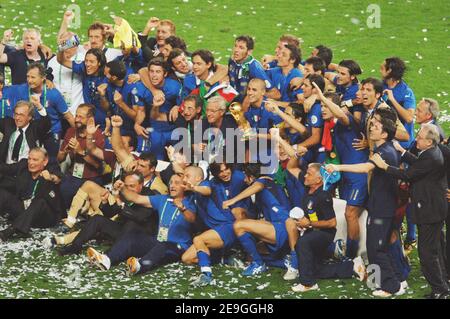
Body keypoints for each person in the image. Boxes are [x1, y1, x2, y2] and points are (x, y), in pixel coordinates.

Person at [326, 111, 406, 297]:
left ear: (385, 134)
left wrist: (338, 167)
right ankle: (397, 280)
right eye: (372, 125)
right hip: (383, 206)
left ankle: (391, 286)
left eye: (376, 127)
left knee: (376, 249)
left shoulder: (384, 152)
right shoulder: (386, 148)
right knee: (380, 247)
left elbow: (365, 168)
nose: (371, 127)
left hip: (382, 208)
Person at [370, 124, 449, 299]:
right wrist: (403, 152)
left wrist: (384, 166)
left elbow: (408, 175)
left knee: (427, 254)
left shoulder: (431, 157)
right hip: (434, 208)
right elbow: (420, 165)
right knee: (434, 250)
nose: (416, 139)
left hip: (430, 211)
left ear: (429, 142)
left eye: (419, 137)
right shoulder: (431, 152)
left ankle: (440, 290)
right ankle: (442, 285)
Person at [86, 174, 196, 275]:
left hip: (178, 246)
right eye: (171, 182)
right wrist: (123, 188)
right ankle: (107, 260)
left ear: (184, 186)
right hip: (158, 241)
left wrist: (182, 208)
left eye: (176, 183)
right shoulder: (163, 199)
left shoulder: (191, 202)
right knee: (132, 237)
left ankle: (140, 266)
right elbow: (136, 198)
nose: (172, 185)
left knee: (164, 245)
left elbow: (192, 219)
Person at [284, 163, 366, 292]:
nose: (305, 176)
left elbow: (332, 223)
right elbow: (291, 167)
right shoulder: (308, 186)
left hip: (324, 233)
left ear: (318, 180)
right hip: (312, 231)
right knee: (315, 269)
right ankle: (353, 267)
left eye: (309, 174)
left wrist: (309, 224)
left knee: (302, 243)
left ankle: (308, 284)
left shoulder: (323, 196)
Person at [314, 83, 369, 258]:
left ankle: (353, 256)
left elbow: (341, 113)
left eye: (326, 105)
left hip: (359, 175)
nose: (323, 109)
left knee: (350, 214)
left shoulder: (346, 120)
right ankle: (355, 251)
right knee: (350, 215)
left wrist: (324, 98)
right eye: (321, 105)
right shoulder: (331, 126)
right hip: (347, 175)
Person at [223, 163, 291, 276]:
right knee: (251, 250)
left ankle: (258, 264)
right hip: (279, 228)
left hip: (283, 228)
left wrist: (232, 201)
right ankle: (285, 261)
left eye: (246, 176)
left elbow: (258, 185)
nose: (244, 180)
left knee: (239, 226)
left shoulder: (264, 180)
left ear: (252, 177)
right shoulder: (265, 188)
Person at [9, 63, 75, 159]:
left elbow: (68, 116)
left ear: (43, 78)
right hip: (31, 131)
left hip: (51, 131)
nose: (29, 80)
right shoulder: (21, 90)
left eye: (33, 77)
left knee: (52, 161)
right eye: (28, 76)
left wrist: (80, 136)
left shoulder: (53, 93)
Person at [0, 147, 64, 241]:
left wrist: (50, 177)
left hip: (44, 216)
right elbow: (6, 168)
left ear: (45, 161)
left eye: (35, 160)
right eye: (29, 159)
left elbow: (58, 178)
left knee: (40, 202)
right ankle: (21, 224)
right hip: (24, 210)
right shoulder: (23, 165)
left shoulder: (51, 169)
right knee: (3, 193)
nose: (31, 162)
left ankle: (12, 230)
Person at [57, 104, 105, 209]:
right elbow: (59, 159)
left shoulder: (97, 134)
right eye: (76, 116)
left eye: (81, 117)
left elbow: (97, 165)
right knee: (60, 191)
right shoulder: (71, 131)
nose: (77, 119)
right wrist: (63, 152)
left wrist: (80, 151)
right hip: (73, 175)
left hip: (92, 178)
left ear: (90, 119)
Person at [57, 47, 109, 130]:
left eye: (91, 61)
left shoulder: (106, 78)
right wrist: (62, 48)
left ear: (99, 63)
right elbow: (62, 61)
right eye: (86, 61)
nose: (88, 64)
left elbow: (107, 108)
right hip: (86, 121)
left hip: (103, 123)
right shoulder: (83, 68)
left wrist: (102, 96)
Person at [228, 35, 278, 101]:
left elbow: (275, 94)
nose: (236, 50)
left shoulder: (254, 68)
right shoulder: (232, 60)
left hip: (247, 106)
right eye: (235, 46)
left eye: (241, 48)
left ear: (249, 52)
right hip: (232, 100)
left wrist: (254, 95)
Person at [380, 57, 416, 149]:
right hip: (384, 139)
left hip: (401, 144)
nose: (380, 71)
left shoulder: (406, 92)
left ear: (389, 71)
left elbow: (409, 118)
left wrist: (392, 100)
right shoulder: (380, 86)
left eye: (382, 68)